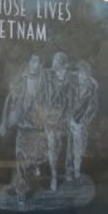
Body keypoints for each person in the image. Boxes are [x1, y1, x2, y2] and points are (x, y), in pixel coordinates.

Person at [0, 54, 46, 202]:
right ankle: (21, 191)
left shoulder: (43, 82)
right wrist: (4, 122)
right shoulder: (21, 80)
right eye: (32, 60)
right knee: (20, 159)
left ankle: (31, 184)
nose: (34, 64)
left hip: (36, 127)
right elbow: (10, 99)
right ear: (29, 63)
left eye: (37, 61)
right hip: (23, 126)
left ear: (39, 64)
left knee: (34, 161)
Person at [41, 52, 72, 191]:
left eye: (58, 62)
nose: (55, 65)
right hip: (51, 116)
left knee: (62, 144)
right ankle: (54, 176)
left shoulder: (70, 78)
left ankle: (65, 170)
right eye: (54, 62)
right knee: (52, 145)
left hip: (64, 117)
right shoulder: (48, 76)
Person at [66, 60, 98, 180]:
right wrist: (69, 118)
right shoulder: (72, 86)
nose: (81, 76)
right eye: (80, 73)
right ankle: (70, 170)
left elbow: (93, 107)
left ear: (88, 75)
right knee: (70, 147)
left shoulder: (91, 90)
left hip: (81, 123)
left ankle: (77, 170)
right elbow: (67, 102)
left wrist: (84, 121)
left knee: (79, 148)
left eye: (84, 74)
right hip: (70, 120)